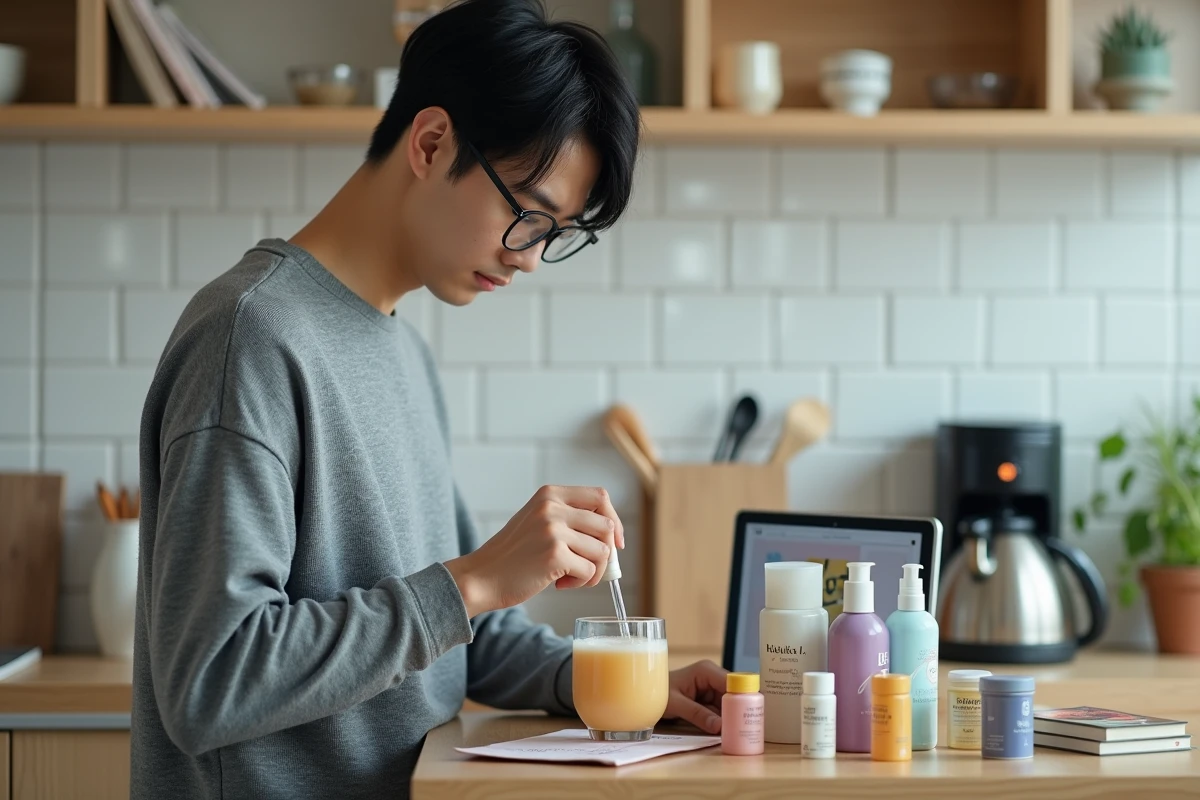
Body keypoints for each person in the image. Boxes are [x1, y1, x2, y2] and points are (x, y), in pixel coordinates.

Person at [129, 1, 727, 797]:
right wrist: (474, 580)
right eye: (527, 215)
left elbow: (454, 639)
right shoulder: (250, 339)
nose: (531, 259)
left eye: (558, 234)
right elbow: (210, 683)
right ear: (431, 141)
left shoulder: (399, 347)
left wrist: (635, 685)